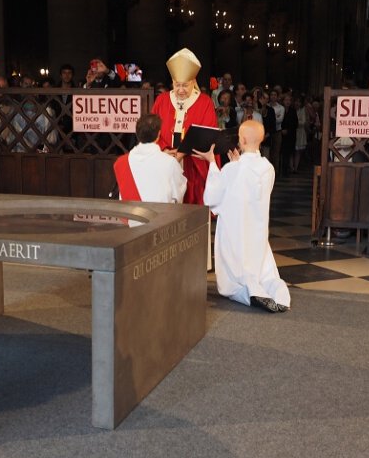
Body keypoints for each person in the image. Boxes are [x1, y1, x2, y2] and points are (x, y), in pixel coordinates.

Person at [196, 119, 290, 313]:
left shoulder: (233, 169)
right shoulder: (268, 168)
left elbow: (212, 197)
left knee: (236, 276)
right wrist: (235, 164)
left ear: (243, 140)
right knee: (265, 273)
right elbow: (250, 186)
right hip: (257, 228)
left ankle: (250, 294)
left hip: (235, 229)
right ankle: (278, 295)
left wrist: (212, 163)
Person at [151, 48, 219, 205]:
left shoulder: (204, 102)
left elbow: (207, 134)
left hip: (192, 165)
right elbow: (152, 129)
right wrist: (165, 150)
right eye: (177, 85)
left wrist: (182, 153)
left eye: (185, 85)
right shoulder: (162, 100)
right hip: (165, 161)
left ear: (193, 82)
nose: (180, 90)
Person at [113, 113, 186, 203]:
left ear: (137, 133)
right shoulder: (170, 163)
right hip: (161, 216)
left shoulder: (121, 162)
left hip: (130, 215)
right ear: (159, 134)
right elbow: (178, 194)